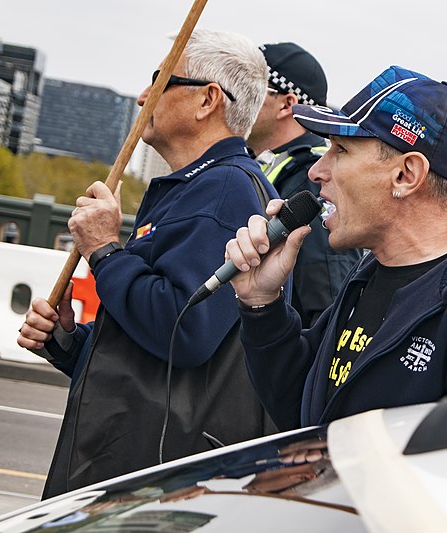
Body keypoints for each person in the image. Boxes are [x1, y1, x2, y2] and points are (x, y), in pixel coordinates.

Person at [225, 66, 447, 431]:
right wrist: (261, 303)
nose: (316, 171)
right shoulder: (371, 273)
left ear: (406, 175)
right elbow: (302, 413)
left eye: (340, 149)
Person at [17, 29, 279, 498]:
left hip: (157, 478)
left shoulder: (225, 191)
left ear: (207, 101)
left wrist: (104, 251)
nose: (142, 97)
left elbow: (185, 329)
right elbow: (147, 359)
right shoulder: (198, 189)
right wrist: (68, 342)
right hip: (133, 458)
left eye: (160, 81)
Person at [247, 43, 362, 327]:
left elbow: (326, 307)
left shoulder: (313, 186)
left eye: (251, 91)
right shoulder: (271, 167)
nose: (238, 100)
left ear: (287, 104)